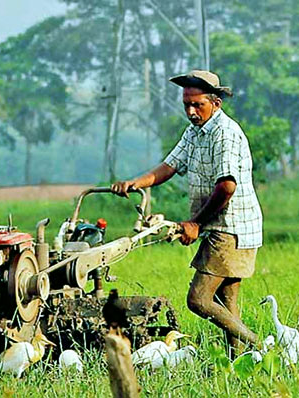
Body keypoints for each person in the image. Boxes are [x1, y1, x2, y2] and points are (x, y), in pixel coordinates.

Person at [111, 70, 263, 357]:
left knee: (198, 299)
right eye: (186, 106)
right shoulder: (195, 131)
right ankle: (241, 362)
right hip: (218, 226)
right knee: (226, 300)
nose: (191, 112)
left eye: (198, 105)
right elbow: (170, 165)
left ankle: (261, 346)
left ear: (215, 103)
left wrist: (194, 223)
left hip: (232, 227)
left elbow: (227, 187)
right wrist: (136, 183)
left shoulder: (224, 134)